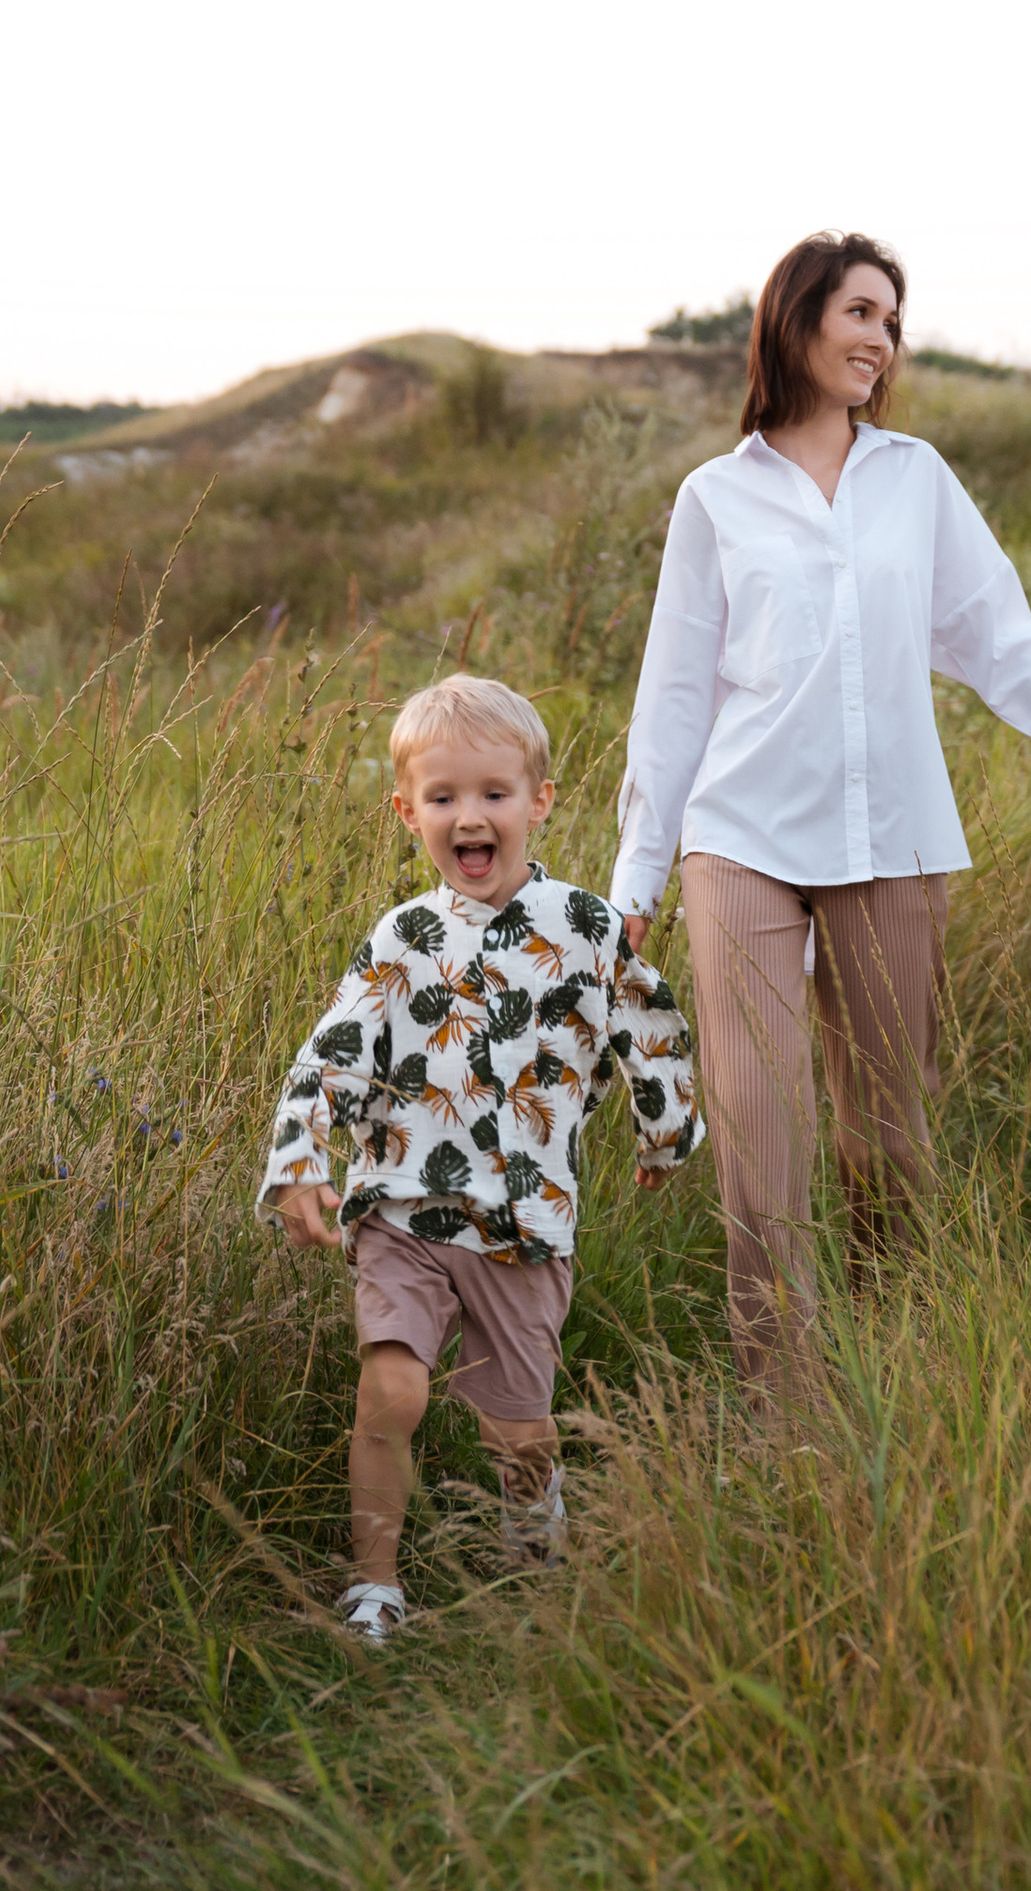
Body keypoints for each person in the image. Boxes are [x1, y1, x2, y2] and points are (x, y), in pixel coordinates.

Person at [610, 230, 1031, 1386]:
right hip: (739, 837)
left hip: (892, 837)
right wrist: (634, 882)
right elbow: (675, 696)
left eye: (892, 322)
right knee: (762, 1137)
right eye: (861, 312)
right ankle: (782, 1411)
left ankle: (890, 1367)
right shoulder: (715, 498)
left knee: (886, 1140)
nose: (881, 340)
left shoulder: (918, 481)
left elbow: (1012, 659)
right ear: (797, 317)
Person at [259, 675, 704, 1643]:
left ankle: (530, 1552)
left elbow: (649, 1024)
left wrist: (666, 1130)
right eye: (444, 796)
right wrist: (299, 1155)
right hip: (403, 1209)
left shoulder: (584, 927)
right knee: (392, 1390)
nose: (470, 816)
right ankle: (374, 1586)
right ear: (407, 811)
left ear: (538, 801)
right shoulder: (403, 938)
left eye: (494, 794)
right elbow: (334, 1048)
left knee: (518, 1427)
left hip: (524, 1221)